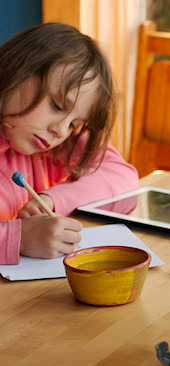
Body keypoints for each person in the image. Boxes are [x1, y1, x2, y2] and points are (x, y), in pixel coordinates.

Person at [0, 22, 138, 264]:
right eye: (56, 105)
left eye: (74, 124)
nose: (60, 130)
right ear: (18, 68)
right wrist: (18, 239)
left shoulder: (48, 148)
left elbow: (124, 177)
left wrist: (54, 201)